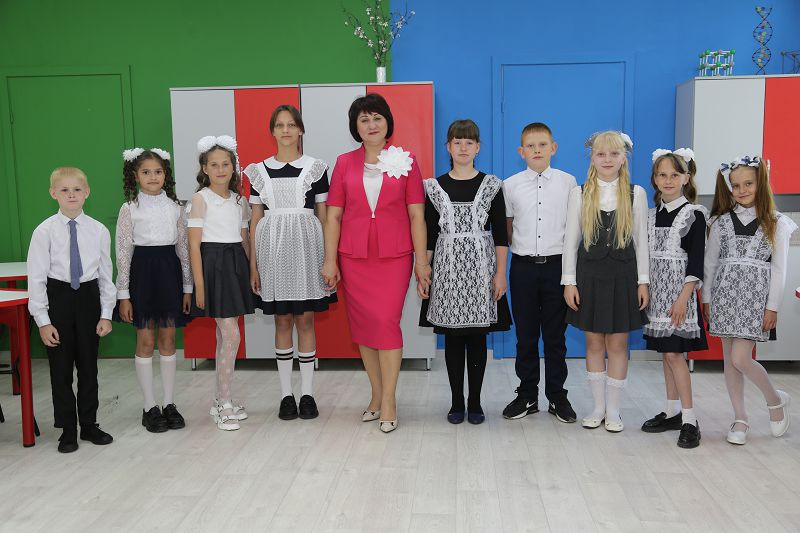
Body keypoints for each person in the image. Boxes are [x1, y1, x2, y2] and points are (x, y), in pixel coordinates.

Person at [322, 93, 429, 433]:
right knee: (364, 328)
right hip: (353, 257)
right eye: (364, 119)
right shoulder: (344, 163)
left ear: (387, 123)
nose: (371, 125)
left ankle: (390, 400)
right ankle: (376, 395)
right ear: (355, 127)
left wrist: (422, 262)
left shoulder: (406, 160)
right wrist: (329, 260)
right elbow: (333, 216)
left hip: (394, 256)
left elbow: (417, 215)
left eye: (377, 118)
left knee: (385, 322)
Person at [244, 104, 336, 421]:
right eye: (280, 125)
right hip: (272, 253)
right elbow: (255, 220)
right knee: (282, 321)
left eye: (291, 124)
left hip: (308, 250)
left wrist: (329, 259)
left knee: (306, 320)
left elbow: (324, 217)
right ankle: (286, 395)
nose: (285, 130)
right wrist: (254, 266)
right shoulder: (258, 171)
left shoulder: (316, 168)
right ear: (272, 131)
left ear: (300, 130)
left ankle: (307, 394)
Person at [419, 119, 511, 425]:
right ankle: (456, 401)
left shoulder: (492, 185)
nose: (462, 148)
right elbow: (430, 235)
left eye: (468, 142)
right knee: (453, 339)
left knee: (477, 338)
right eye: (457, 142)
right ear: (448, 147)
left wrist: (500, 274)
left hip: (482, 271)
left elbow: (501, 235)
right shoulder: (434, 187)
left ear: (478, 148)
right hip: (447, 271)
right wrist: (424, 270)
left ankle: (475, 402)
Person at [703, 155, 795, 445]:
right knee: (730, 361)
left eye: (748, 184)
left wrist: (772, 307)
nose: (741, 190)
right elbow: (710, 263)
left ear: (760, 184)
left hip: (755, 300)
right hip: (724, 296)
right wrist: (706, 298)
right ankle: (740, 418)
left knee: (741, 358)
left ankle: (774, 400)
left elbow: (779, 269)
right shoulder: (719, 222)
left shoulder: (777, 223)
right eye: (736, 185)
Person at [563, 130, 649, 433]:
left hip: (624, 277)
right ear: (592, 158)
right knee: (593, 342)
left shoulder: (636, 194)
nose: (607, 159)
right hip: (589, 277)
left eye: (614, 154)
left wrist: (643, 282)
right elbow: (570, 242)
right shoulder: (579, 193)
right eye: (601, 154)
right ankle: (598, 407)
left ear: (624, 158)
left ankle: (613, 409)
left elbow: (641, 242)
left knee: (619, 343)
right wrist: (569, 282)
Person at [27, 166, 116, 453]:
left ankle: (89, 424)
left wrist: (106, 314)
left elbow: (106, 275)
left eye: (77, 189)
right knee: (61, 369)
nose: (71, 195)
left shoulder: (99, 230)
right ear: (53, 193)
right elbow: (36, 279)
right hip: (58, 299)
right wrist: (43, 321)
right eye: (64, 190)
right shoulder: (44, 232)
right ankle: (67, 429)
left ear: (87, 192)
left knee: (89, 368)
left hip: (88, 298)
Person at [501, 122, 578, 423]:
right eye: (530, 146)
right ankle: (527, 395)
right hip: (523, 269)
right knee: (526, 336)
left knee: (556, 337)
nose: (536, 150)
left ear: (553, 148)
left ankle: (557, 396)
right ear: (521, 151)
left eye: (542, 145)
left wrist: (570, 276)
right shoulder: (510, 185)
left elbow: (574, 229)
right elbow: (508, 227)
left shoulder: (568, 182)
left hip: (557, 267)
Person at [115, 147, 192, 433]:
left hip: (170, 274)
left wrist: (188, 287)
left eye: (158, 171)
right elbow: (123, 253)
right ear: (135, 175)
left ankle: (169, 403)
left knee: (168, 340)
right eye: (146, 172)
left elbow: (183, 249)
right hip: (142, 277)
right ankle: (150, 407)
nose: (152, 176)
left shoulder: (176, 207)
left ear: (165, 174)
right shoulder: (129, 208)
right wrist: (123, 294)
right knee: (146, 341)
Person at [640, 148, 707, 448]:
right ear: (655, 179)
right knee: (666, 356)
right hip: (657, 297)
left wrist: (683, 298)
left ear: (686, 178)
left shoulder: (694, 214)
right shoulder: (650, 216)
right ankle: (671, 412)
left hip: (680, 298)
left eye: (674, 175)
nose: (668, 180)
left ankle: (690, 419)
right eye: (662, 175)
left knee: (675, 356)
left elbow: (696, 262)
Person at [187, 135, 255, 431]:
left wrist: (252, 271)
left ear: (233, 167)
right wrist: (200, 285)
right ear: (204, 168)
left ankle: (220, 399)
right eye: (213, 165)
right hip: (213, 265)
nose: (220, 169)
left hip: (235, 264)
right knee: (231, 336)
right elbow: (193, 245)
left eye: (225, 164)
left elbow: (244, 239)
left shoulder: (239, 201)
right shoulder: (201, 199)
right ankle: (224, 402)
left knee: (225, 335)